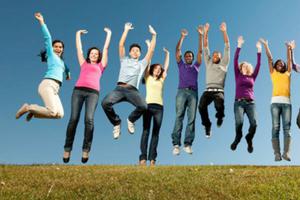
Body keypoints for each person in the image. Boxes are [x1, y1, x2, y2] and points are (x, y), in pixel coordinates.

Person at [63, 28, 112, 164]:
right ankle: (67, 148)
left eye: (96, 54)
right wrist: (77, 34)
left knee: (89, 120)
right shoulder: (83, 63)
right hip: (78, 91)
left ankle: (86, 149)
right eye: (92, 53)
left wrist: (109, 34)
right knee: (73, 119)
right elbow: (79, 49)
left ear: (99, 56)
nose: (94, 55)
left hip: (93, 93)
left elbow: (106, 48)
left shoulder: (102, 65)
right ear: (89, 55)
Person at [101, 23, 156, 139]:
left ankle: (131, 120)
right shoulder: (124, 60)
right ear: (130, 53)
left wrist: (154, 36)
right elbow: (121, 45)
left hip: (133, 91)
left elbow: (151, 51)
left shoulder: (142, 64)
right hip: (119, 89)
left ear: (140, 54)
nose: (135, 52)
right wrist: (126, 30)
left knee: (143, 106)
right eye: (133, 50)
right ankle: (116, 123)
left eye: (137, 51)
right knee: (105, 103)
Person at [16, 12, 70, 121]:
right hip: (47, 85)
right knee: (52, 111)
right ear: (52, 48)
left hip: (56, 89)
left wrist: (68, 74)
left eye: (60, 47)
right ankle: (28, 107)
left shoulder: (62, 63)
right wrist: (42, 22)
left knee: (60, 114)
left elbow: (67, 68)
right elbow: (48, 38)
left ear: (63, 49)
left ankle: (34, 111)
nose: (58, 49)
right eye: (56, 47)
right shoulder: (51, 55)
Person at [171, 26, 203, 155]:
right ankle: (176, 144)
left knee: (191, 118)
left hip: (193, 94)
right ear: (185, 58)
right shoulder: (181, 65)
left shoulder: (196, 66)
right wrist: (182, 37)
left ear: (192, 58)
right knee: (179, 116)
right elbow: (177, 50)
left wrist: (200, 35)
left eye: (190, 56)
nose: (189, 57)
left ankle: (188, 144)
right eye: (187, 55)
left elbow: (200, 52)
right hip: (181, 92)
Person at [260, 38, 292, 161]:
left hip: (287, 103)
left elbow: (289, 60)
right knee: (275, 127)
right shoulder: (273, 73)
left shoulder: (288, 73)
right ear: (275, 66)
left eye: (282, 63)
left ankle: (286, 153)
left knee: (287, 129)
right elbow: (270, 59)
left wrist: (288, 49)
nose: (280, 64)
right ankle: (277, 154)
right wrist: (266, 45)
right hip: (275, 103)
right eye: (278, 63)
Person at [139, 45, 169, 166]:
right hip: (147, 107)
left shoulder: (162, 79)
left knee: (155, 133)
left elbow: (166, 66)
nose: (158, 70)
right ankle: (143, 158)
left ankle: (152, 159)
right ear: (152, 69)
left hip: (159, 108)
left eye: (159, 69)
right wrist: (148, 47)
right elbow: (148, 61)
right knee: (146, 131)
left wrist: (168, 54)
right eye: (156, 68)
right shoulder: (148, 77)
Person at [198, 22, 230, 138]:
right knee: (201, 107)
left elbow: (227, 46)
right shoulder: (209, 62)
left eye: (217, 55)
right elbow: (205, 47)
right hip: (207, 90)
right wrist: (206, 32)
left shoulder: (225, 63)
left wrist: (224, 32)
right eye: (214, 55)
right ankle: (207, 125)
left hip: (218, 91)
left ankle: (220, 116)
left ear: (221, 57)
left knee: (219, 104)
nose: (215, 56)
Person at [230, 36, 261, 153]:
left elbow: (259, 65)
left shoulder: (252, 76)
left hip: (250, 103)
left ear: (248, 68)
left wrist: (259, 50)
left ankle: (249, 138)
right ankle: (238, 138)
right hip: (239, 102)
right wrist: (239, 45)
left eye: (245, 66)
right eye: (241, 66)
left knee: (254, 124)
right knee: (239, 122)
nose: (243, 67)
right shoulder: (238, 75)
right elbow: (235, 60)